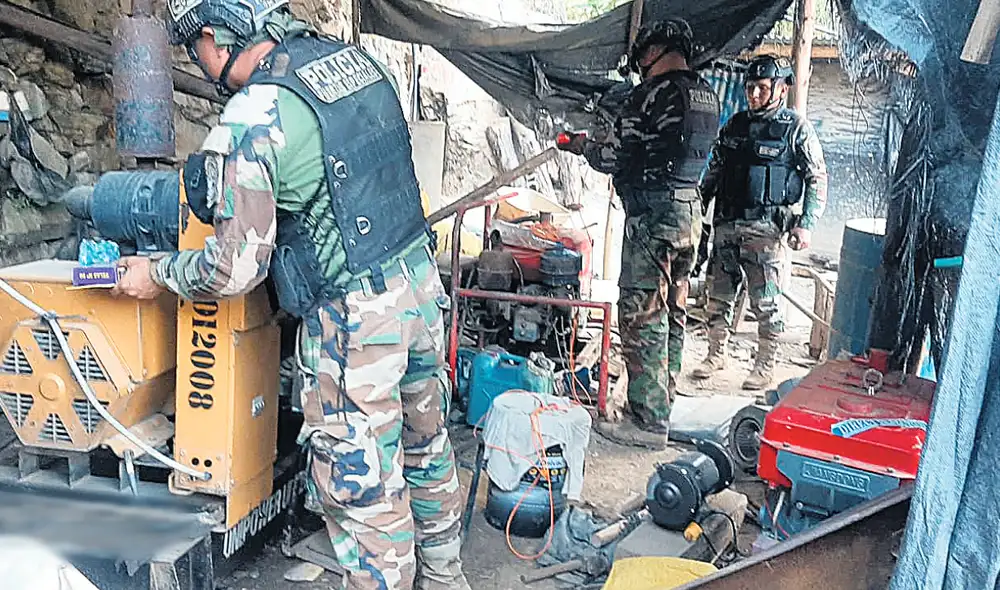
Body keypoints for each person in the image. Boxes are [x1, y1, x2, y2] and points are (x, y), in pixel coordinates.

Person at [109, 1, 470, 589]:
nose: (195, 61)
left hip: (360, 321)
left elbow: (232, 270)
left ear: (215, 39)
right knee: (426, 448)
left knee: (363, 490)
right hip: (421, 289)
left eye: (192, 48)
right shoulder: (357, 63)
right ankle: (448, 579)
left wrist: (159, 272)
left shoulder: (255, 113)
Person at [558, 18, 721, 449]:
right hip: (690, 212)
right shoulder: (706, 94)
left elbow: (614, 156)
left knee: (642, 314)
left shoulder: (649, 95)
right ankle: (661, 406)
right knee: (673, 312)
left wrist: (580, 144)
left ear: (653, 51)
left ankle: (646, 421)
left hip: (654, 214)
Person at [693, 54, 828, 390]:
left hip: (767, 230)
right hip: (727, 224)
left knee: (767, 302)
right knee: (717, 296)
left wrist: (806, 223)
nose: (753, 95)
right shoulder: (734, 126)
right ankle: (715, 354)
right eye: (750, 87)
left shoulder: (796, 128)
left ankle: (764, 365)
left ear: (780, 89)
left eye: (762, 88)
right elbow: (714, 171)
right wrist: (697, 208)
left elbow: (817, 177)